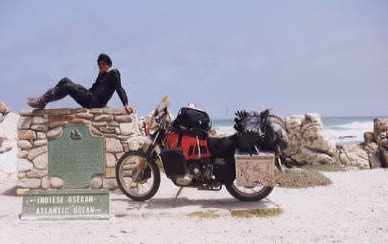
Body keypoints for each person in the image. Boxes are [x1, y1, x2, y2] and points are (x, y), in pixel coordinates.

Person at [27, 53, 133, 114]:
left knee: (68, 87)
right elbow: (93, 88)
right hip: (90, 96)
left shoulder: (114, 73)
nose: (99, 66)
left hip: (95, 102)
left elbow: (120, 88)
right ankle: (44, 99)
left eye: (102, 64)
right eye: (99, 64)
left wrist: (126, 104)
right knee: (65, 80)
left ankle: (41, 101)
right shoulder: (101, 75)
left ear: (107, 64)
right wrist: (82, 90)